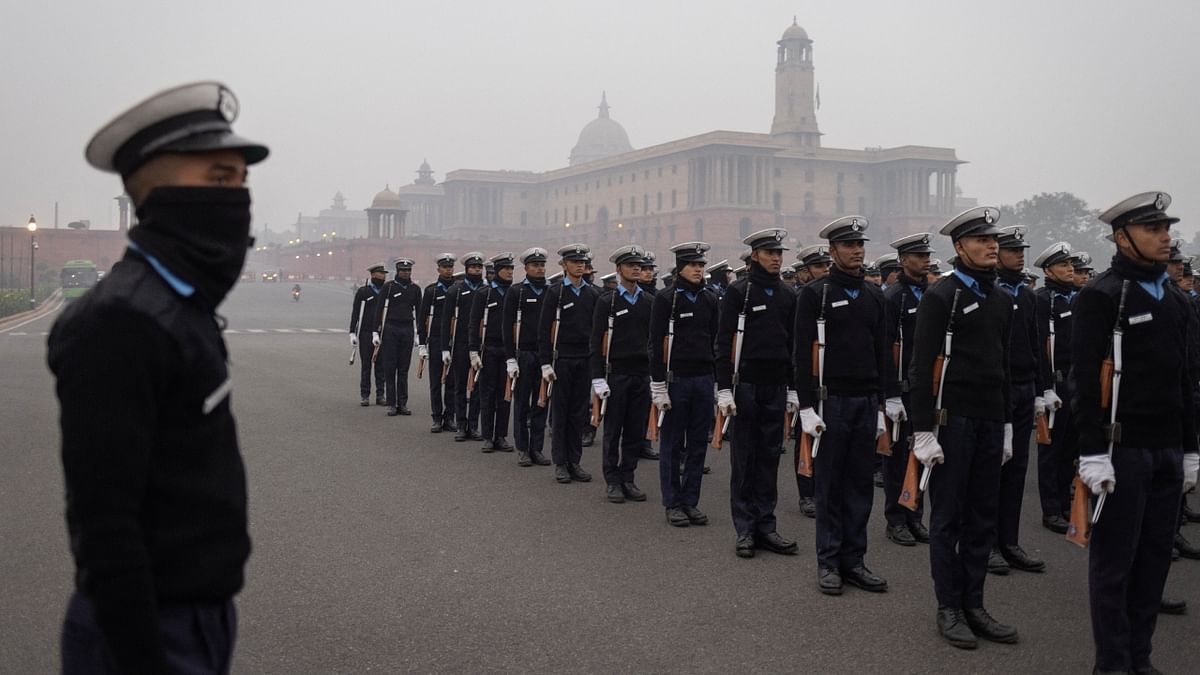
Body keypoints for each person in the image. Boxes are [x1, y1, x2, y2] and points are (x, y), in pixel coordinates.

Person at [51, 80, 267, 673]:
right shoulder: (121, 321)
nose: (239, 199)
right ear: (159, 193)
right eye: (219, 180)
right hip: (146, 626)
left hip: (197, 612)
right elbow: (106, 525)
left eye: (241, 182)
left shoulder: (178, 303)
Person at [1075, 192, 1199, 674]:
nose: (1165, 237)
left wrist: (1190, 449)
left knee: (1153, 564)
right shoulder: (1103, 294)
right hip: (1121, 450)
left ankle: (1139, 660)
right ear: (1122, 238)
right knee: (1114, 568)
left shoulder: (1175, 298)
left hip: (1166, 448)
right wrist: (1092, 452)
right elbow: (1084, 380)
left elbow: (1185, 381)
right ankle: (1112, 665)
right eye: (1153, 230)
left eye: (1167, 228)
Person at [908, 207, 1016, 649]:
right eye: (981, 240)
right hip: (953, 422)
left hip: (990, 419)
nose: (992, 246)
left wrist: (1007, 424)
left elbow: (1004, 366)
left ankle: (975, 604)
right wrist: (922, 430)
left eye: (994, 241)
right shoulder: (942, 295)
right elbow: (920, 366)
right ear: (959, 247)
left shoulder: (1003, 298)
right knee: (949, 518)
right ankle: (949, 606)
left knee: (981, 519)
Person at [794, 216, 889, 595]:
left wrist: (883, 404)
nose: (857, 251)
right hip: (829, 402)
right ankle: (829, 561)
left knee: (860, 486)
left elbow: (882, 354)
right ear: (832, 251)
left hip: (865, 401)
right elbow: (802, 355)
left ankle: (855, 560)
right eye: (849, 245)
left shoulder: (873, 295)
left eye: (860, 245)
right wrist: (805, 406)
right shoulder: (814, 294)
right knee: (830, 486)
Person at [717, 228, 799, 559]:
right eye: (770, 253)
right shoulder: (739, 293)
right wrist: (723, 388)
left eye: (779, 253)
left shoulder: (787, 294)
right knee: (744, 458)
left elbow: (792, 345)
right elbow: (724, 344)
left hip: (775, 384)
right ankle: (745, 528)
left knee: (768, 457)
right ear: (755, 256)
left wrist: (793, 388)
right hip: (745, 384)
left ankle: (767, 525)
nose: (777, 258)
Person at [989, 226, 1047, 574]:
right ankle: (987, 542)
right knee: (991, 473)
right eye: (1013, 249)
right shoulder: (991, 292)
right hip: (999, 390)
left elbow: (1037, 346)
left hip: (1025, 387)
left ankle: (1009, 541)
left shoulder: (1027, 296)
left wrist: (1040, 390)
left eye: (1022, 249)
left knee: (1017, 470)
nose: (1020, 254)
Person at [651, 242, 718, 526]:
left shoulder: (710, 299)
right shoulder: (666, 299)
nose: (698, 270)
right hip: (676, 378)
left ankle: (691, 500)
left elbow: (716, 341)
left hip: (703, 378)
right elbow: (655, 344)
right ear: (680, 268)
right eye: (693, 265)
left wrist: (717, 383)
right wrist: (657, 386)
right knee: (672, 444)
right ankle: (672, 502)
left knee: (697, 445)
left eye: (701, 266)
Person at [881, 233, 934, 547]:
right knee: (898, 458)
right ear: (903, 260)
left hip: (925, 388)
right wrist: (889, 393)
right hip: (902, 390)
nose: (925, 259)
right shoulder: (894, 297)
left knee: (923, 453)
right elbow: (885, 348)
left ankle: (915, 514)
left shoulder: (933, 293)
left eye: (926, 255)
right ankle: (896, 518)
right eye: (918, 255)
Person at [591, 245, 653, 503]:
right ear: (618, 270)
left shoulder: (649, 301)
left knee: (634, 430)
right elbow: (596, 342)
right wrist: (597, 377)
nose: (636, 268)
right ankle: (612, 480)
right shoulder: (608, 301)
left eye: (639, 265)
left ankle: (628, 477)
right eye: (630, 265)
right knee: (613, 430)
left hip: (641, 373)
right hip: (616, 373)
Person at [539, 244, 599, 484]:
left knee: (578, 413)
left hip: (584, 359)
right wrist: (545, 363)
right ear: (564, 265)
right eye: (574, 262)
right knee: (561, 413)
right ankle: (560, 462)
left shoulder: (592, 293)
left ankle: (575, 461)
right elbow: (544, 330)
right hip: (561, 358)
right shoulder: (555, 293)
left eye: (582, 262)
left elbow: (597, 332)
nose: (579, 265)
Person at [1033, 242, 1076, 533]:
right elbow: (1039, 347)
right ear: (1049, 270)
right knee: (1052, 451)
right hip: (1055, 384)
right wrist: (1044, 387)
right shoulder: (1042, 300)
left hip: (1076, 384)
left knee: (1070, 449)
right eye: (1063, 265)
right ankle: (1051, 510)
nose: (1070, 269)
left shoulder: (1079, 299)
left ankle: (1065, 504)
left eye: (1071, 265)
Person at [793, 243, 833, 518]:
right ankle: (806, 492)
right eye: (818, 266)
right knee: (806, 438)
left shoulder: (830, 294)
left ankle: (824, 490)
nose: (824, 271)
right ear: (805, 272)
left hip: (832, 379)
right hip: (809, 378)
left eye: (826, 265)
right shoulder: (802, 298)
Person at [504, 248, 551, 467]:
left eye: (542, 265)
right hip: (524, 353)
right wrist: (510, 358)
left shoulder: (552, 291)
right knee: (522, 403)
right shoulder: (517, 292)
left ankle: (537, 448)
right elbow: (507, 326)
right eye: (535, 265)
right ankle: (523, 448)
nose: (540, 268)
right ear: (527, 268)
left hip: (545, 355)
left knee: (541, 402)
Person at [470, 253, 515, 452]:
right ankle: (488, 435)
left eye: (511, 269)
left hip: (508, 350)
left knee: (505, 393)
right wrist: (473, 351)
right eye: (506, 269)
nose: (509, 272)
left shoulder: (515, 293)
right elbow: (473, 323)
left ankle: (501, 435)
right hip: (488, 348)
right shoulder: (484, 294)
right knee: (487, 393)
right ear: (496, 271)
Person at [441, 252, 486, 441]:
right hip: (460, 343)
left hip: (480, 343)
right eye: (473, 267)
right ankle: (461, 424)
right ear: (467, 269)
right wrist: (445, 347)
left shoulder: (486, 290)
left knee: (477, 386)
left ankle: (473, 425)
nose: (477, 270)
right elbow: (445, 320)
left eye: (479, 267)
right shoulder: (456, 291)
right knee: (460, 385)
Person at [373, 258, 420, 416]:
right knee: (390, 367)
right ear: (398, 271)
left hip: (407, 328)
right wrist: (375, 331)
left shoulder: (415, 289)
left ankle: (403, 403)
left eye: (408, 270)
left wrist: (420, 334)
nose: (406, 273)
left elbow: (419, 313)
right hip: (391, 328)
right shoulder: (389, 287)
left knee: (404, 369)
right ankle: (392, 403)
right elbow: (379, 309)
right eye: (403, 270)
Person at [418, 253, 458, 432]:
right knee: (435, 381)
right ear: (439, 269)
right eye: (445, 267)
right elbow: (422, 317)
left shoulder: (458, 289)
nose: (448, 270)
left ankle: (449, 417)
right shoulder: (431, 291)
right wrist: (421, 343)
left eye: (450, 267)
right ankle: (436, 417)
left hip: (453, 339)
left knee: (452, 381)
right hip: (435, 339)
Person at [350, 263, 388, 406]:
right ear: (373, 275)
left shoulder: (386, 291)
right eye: (380, 273)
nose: (383, 276)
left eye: (384, 273)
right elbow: (356, 313)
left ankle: (380, 394)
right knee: (366, 365)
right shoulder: (364, 292)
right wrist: (352, 332)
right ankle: (365, 395)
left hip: (382, 332)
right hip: (366, 333)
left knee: (381, 366)